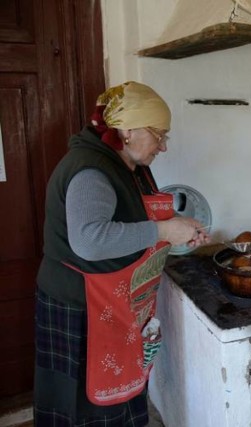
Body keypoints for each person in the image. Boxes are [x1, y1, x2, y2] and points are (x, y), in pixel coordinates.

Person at [33, 81, 210, 426]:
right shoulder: (91, 170)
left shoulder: (131, 165)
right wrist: (163, 231)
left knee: (121, 392)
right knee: (85, 405)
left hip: (115, 301)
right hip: (80, 305)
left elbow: (135, 219)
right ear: (127, 129)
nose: (164, 146)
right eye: (158, 135)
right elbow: (90, 240)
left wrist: (177, 225)